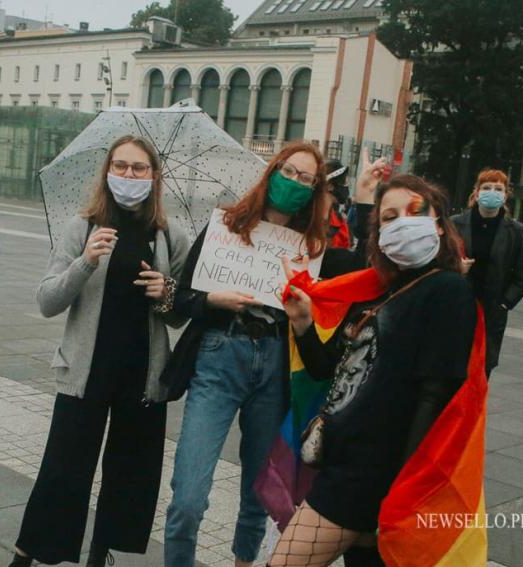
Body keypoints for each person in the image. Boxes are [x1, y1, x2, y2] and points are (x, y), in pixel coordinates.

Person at [163, 141, 370, 567]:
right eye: (288, 172)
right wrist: (212, 301)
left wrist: (364, 203)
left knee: (257, 492)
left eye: (305, 179)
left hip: (276, 364)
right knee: (187, 498)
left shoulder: (314, 249)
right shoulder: (225, 226)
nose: (293, 183)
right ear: (272, 171)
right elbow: (181, 299)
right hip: (220, 356)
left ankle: (244, 561)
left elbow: (366, 270)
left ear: (315, 190)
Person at [270, 174, 477, 566]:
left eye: (415, 211)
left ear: (437, 222)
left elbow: (436, 397)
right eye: (389, 216)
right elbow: (327, 370)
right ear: (379, 233)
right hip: (342, 460)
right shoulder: (376, 289)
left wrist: (402, 492)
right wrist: (301, 324)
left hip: (370, 476)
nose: (402, 222)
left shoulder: (447, 291)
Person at [9, 135, 190, 567]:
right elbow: (47, 300)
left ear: (154, 177)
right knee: (62, 469)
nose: (128, 175)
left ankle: (99, 554)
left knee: (129, 473)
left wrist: (165, 292)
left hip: (142, 375)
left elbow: (180, 313)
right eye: (121, 166)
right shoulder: (84, 226)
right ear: (107, 172)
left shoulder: (169, 236)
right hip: (85, 370)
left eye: (138, 168)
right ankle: (26, 554)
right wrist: (85, 261)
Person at [452, 169, 523, 376]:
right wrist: (456, 269)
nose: (492, 192)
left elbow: (522, 277)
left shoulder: (516, 232)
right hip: (456, 305)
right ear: (476, 193)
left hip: (491, 311)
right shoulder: (455, 224)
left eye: (498, 189)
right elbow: (437, 262)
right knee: (449, 365)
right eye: (486, 188)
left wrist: (504, 304)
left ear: (505, 196)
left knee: (481, 369)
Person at [325, 158, 352, 249]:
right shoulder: (303, 216)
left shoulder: (340, 222)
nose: (346, 187)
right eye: (344, 182)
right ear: (329, 186)